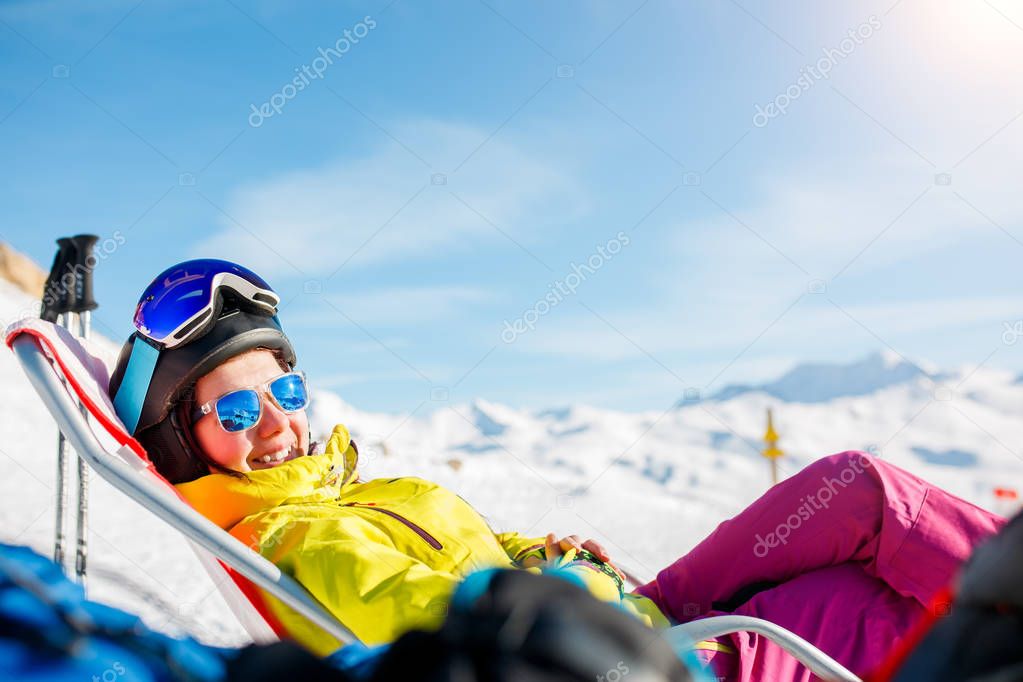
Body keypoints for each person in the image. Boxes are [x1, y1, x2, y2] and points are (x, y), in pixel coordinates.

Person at [108, 260, 1004, 681]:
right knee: (887, 603)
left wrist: (545, 548)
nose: (276, 422)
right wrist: (560, 580)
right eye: (233, 409)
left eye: (285, 388)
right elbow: (451, 626)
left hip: (637, 611)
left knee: (855, 488)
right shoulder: (305, 535)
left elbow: (486, 562)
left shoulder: (354, 493)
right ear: (188, 440)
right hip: (654, 659)